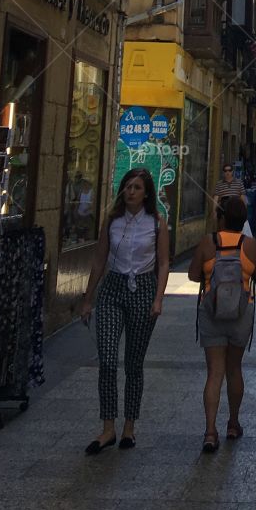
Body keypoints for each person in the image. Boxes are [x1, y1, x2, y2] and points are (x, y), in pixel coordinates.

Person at [80, 168, 170, 453]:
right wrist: (88, 298)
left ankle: (129, 427)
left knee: (133, 363)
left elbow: (164, 263)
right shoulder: (112, 220)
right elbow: (99, 260)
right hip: (112, 289)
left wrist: (158, 298)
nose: (131, 191)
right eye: (128, 186)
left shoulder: (157, 223)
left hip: (143, 289)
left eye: (137, 187)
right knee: (107, 360)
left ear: (146, 193)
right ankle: (108, 428)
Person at [188, 195, 256, 452]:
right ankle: (233, 423)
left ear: (221, 218)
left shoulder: (208, 242)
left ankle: (210, 431)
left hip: (211, 312)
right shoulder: (250, 245)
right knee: (234, 369)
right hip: (241, 314)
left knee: (214, 372)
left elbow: (193, 275)